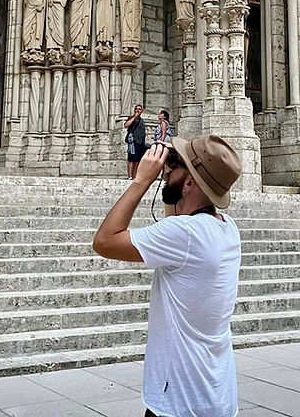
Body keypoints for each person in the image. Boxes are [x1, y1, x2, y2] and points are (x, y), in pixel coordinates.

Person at [92, 135, 243, 417]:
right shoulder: (227, 229)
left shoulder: (184, 235)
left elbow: (104, 241)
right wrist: (180, 172)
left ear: (189, 184)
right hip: (218, 396)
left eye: (173, 166)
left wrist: (141, 181)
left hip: (179, 403)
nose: (165, 169)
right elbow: (179, 213)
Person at [123, 104, 146, 180]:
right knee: (131, 159)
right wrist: (134, 117)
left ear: (142, 111)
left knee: (138, 161)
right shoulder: (131, 118)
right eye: (136, 109)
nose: (138, 110)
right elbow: (126, 125)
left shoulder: (142, 121)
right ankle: (130, 176)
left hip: (140, 143)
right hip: (133, 141)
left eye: (139, 109)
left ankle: (134, 176)